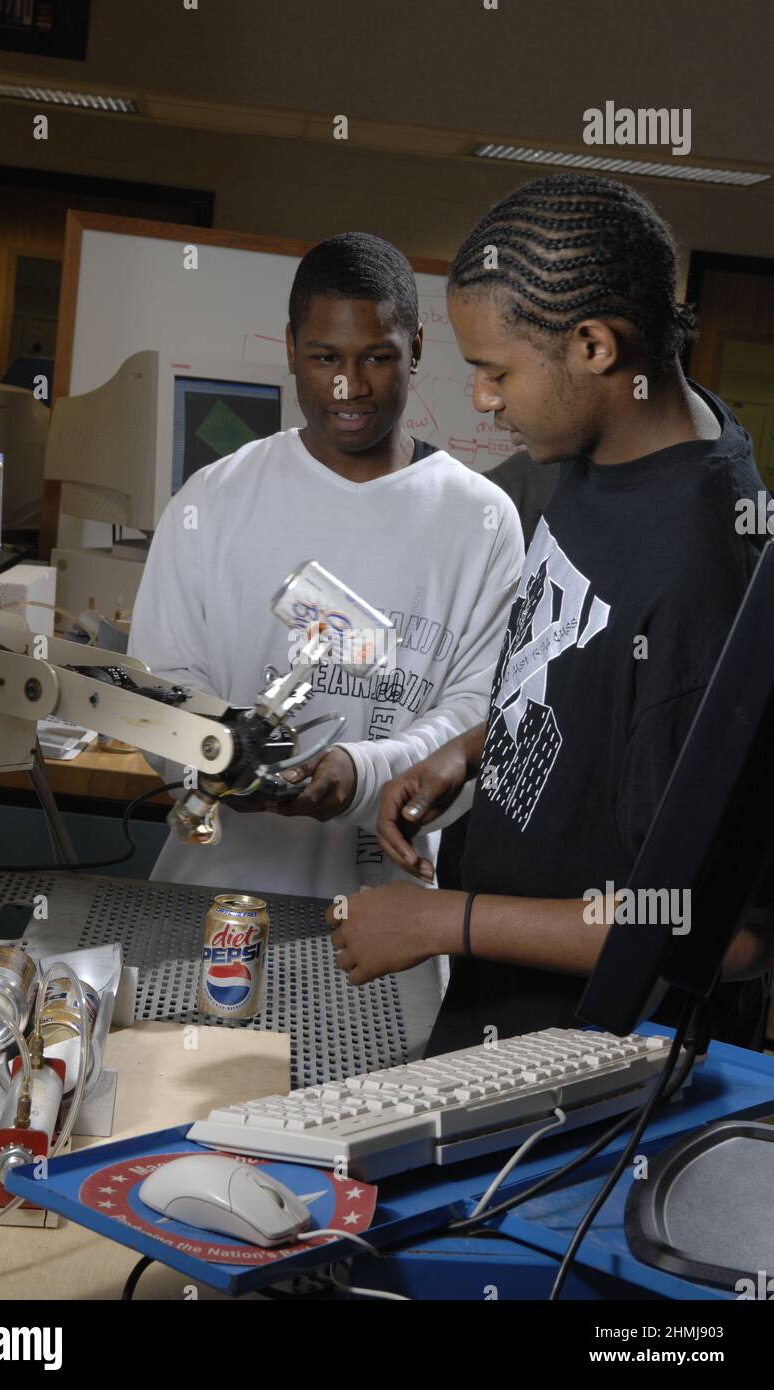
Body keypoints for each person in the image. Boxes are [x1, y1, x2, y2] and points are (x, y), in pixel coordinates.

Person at [326, 175, 774, 1052]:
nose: (484, 400)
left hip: (588, 1075)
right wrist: (469, 751)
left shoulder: (703, 574)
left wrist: (441, 923)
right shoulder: (603, 451)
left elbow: (723, 933)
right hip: (499, 1008)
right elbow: (587, 671)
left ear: (594, 346)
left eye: (495, 372)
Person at [129, 232, 524, 1043]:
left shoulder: (479, 521)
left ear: (415, 348)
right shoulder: (216, 499)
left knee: (362, 1158)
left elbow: (480, 718)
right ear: (290, 351)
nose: (348, 385)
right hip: (211, 919)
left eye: (376, 356)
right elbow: (155, 682)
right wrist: (234, 762)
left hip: (384, 943)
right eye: (323, 357)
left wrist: (360, 771)